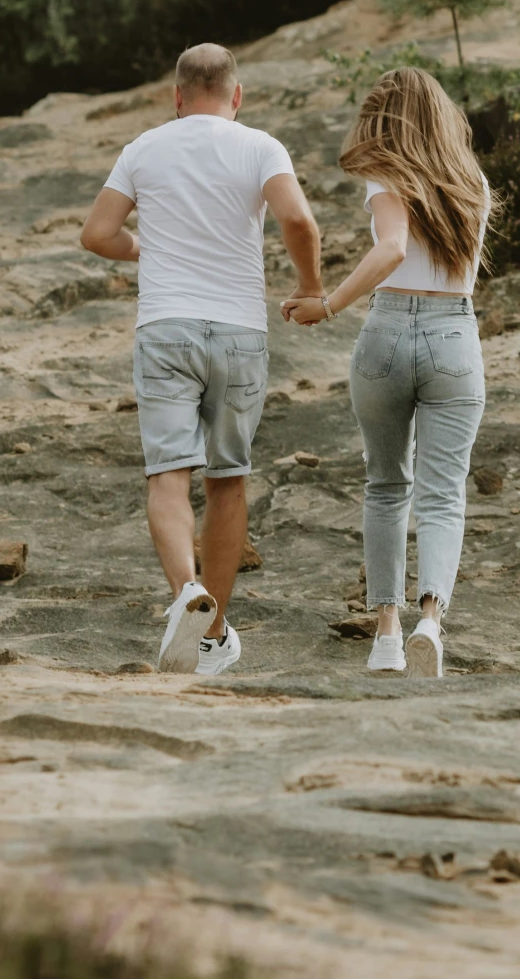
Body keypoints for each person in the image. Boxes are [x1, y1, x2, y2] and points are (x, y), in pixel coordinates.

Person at [82, 43, 323, 675]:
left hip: (167, 327)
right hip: (240, 331)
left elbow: (97, 233)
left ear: (178, 95)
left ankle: (186, 590)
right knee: (228, 480)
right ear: (236, 96)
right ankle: (213, 632)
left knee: (168, 474)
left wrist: (143, 249)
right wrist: (311, 286)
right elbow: (299, 220)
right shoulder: (260, 146)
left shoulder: (144, 148)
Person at [285, 67, 489, 677]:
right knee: (442, 491)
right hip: (455, 332)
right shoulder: (471, 179)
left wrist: (328, 304)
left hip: (388, 330)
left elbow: (393, 247)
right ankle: (431, 620)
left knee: (385, 485)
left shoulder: (386, 175)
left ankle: (386, 636)